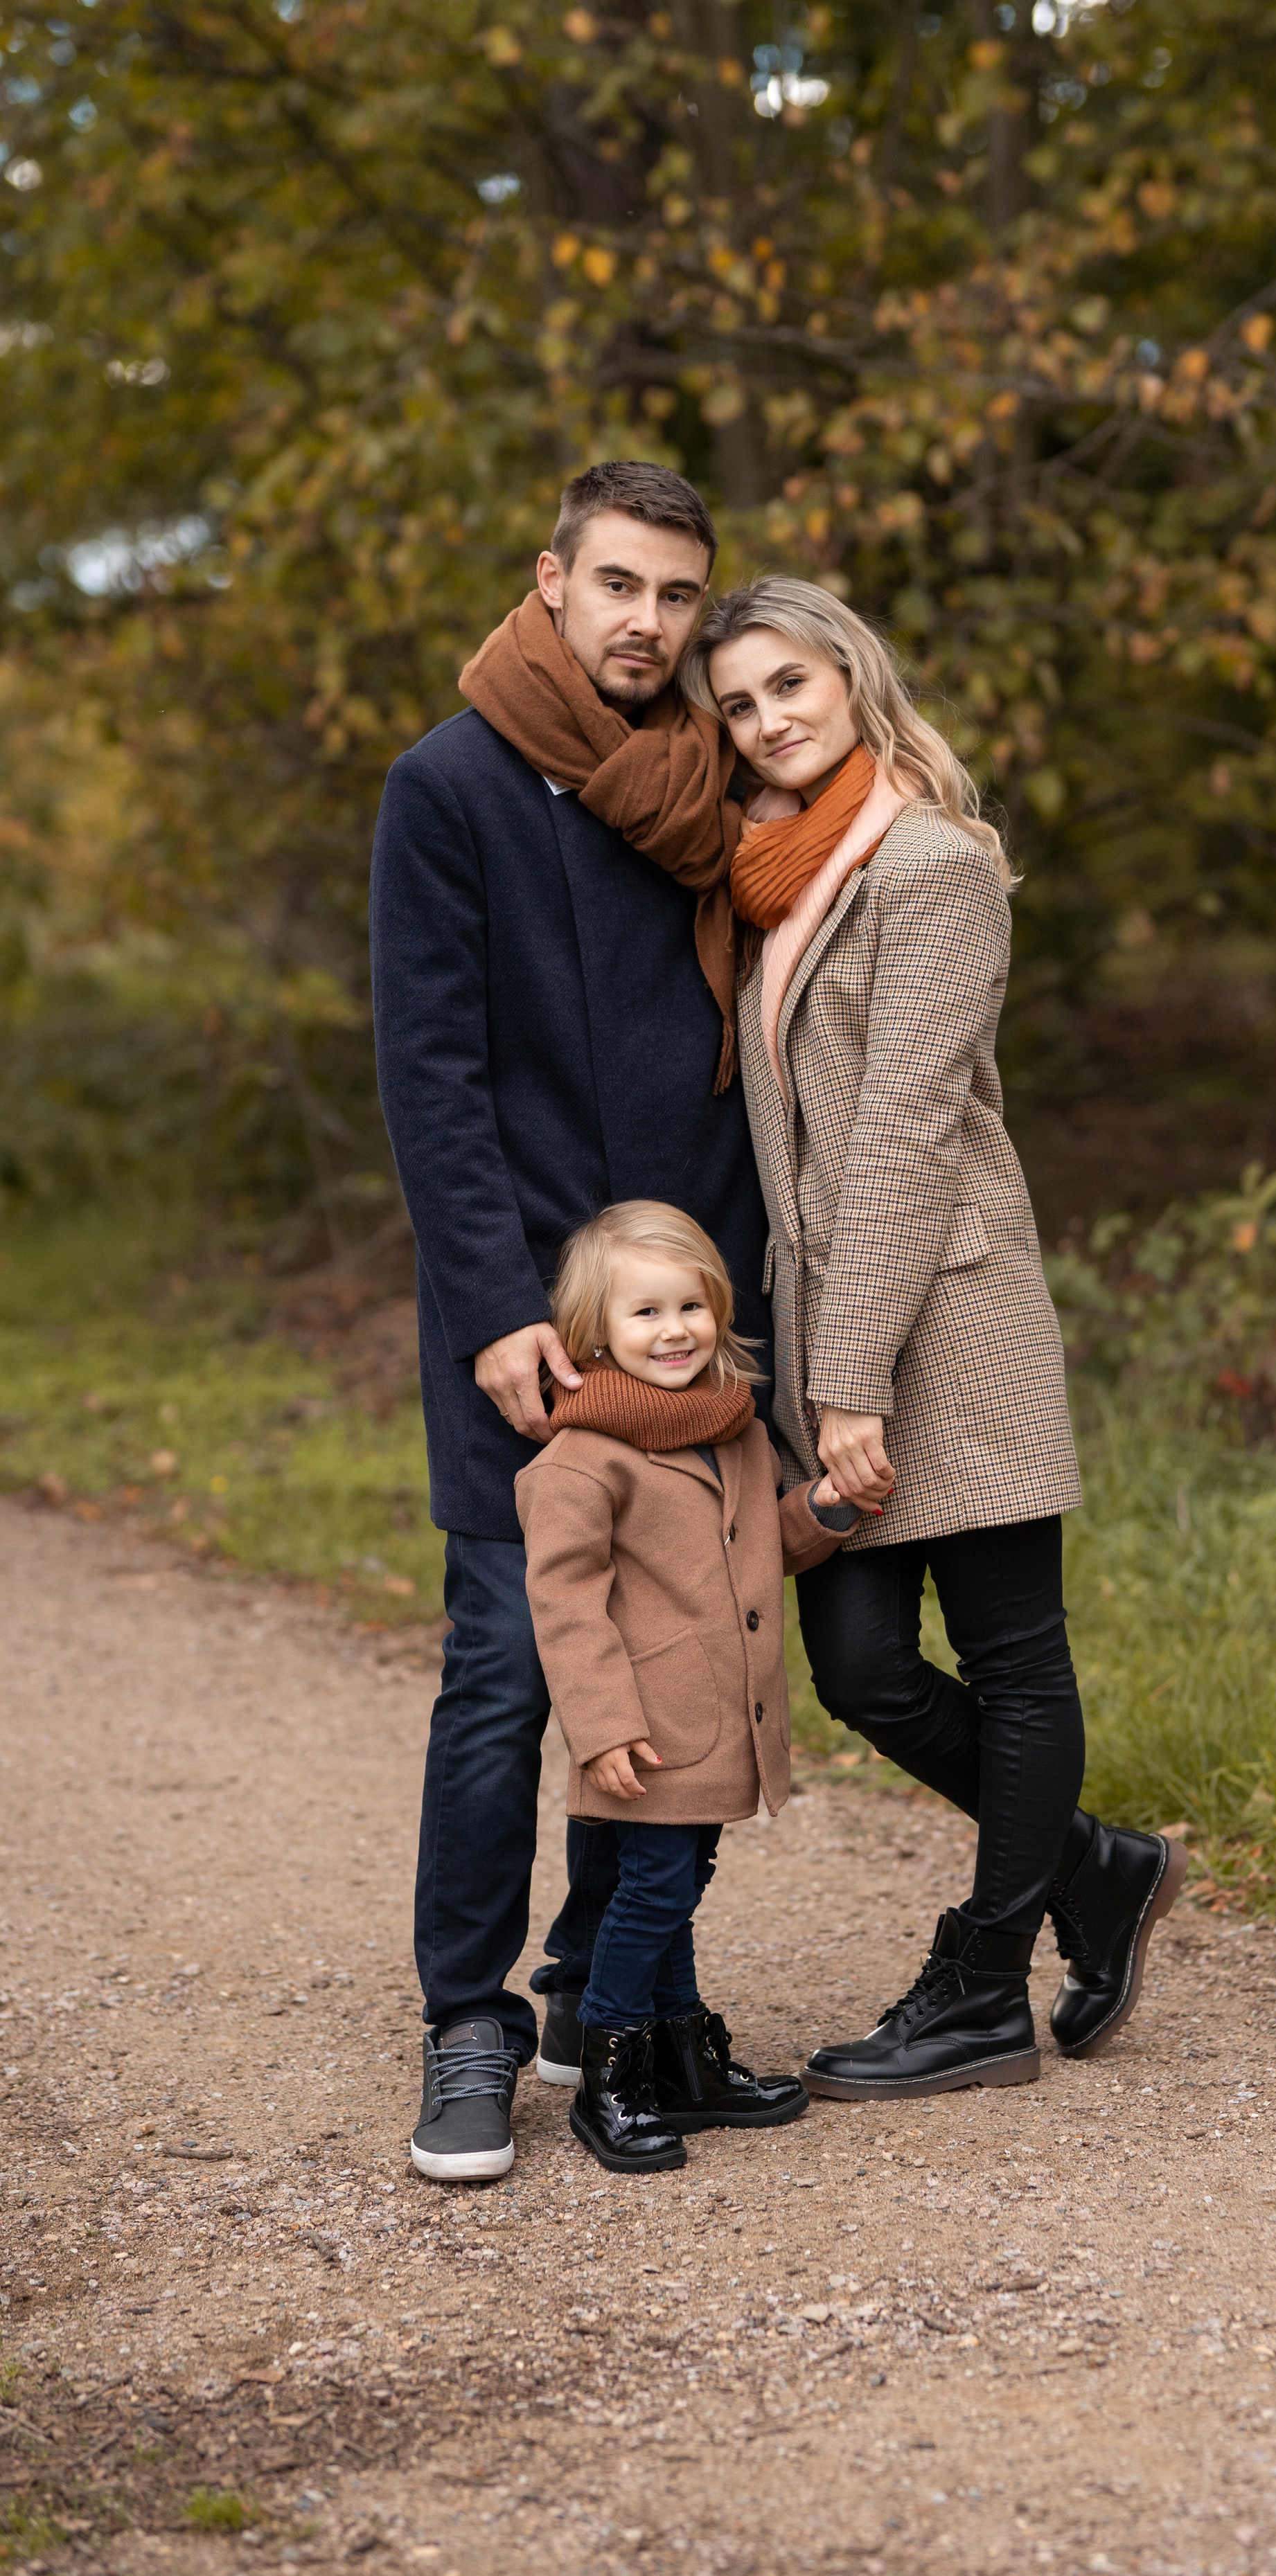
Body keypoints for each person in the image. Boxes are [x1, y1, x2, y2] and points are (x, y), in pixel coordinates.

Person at [679, 580, 1183, 2100]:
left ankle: (980, 1985)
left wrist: (846, 1384)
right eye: (738, 705)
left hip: (948, 1320)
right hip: (829, 1317)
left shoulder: (933, 863)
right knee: (860, 1667)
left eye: (787, 685)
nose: (766, 720)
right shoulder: (772, 875)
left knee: (1012, 1652)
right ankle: (1094, 1870)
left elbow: (903, 1127)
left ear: (850, 674)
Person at [370, 461, 765, 2184]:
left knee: (671, 1654)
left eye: (677, 595)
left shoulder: (709, 782)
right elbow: (430, 1071)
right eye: (617, 585)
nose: (646, 623)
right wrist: (486, 1309)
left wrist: (741, 1306)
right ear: (550, 580)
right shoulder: (445, 785)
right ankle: (466, 2019)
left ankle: (614, 2004)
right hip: (524, 1312)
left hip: (686, 1309)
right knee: (506, 1669)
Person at [514, 1199, 862, 2172]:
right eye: (645, 1313)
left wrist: (822, 1510)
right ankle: (613, 2072)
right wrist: (600, 1727)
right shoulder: (580, 1462)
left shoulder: (734, 1432)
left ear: (719, 1310)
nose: (674, 1331)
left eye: (691, 1307)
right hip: (649, 1726)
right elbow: (565, 1606)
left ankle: (681, 2056)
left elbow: (753, 1551)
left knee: (676, 1882)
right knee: (655, 1889)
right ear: (593, 1334)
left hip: (722, 1716)